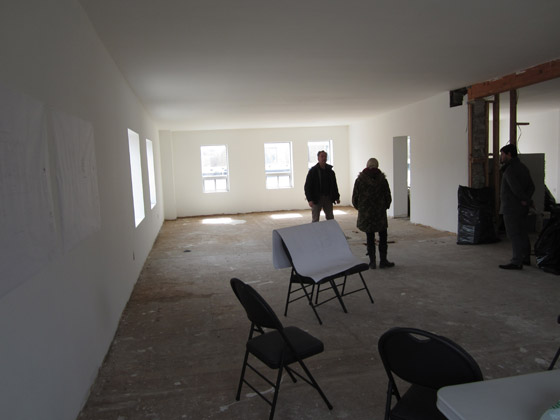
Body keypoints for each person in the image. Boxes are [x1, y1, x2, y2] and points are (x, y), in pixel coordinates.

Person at [352, 158, 394, 269]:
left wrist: (361, 209)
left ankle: (372, 262)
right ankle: (383, 261)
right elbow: (388, 196)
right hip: (380, 213)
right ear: (377, 166)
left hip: (366, 214)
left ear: (367, 165)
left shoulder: (360, 180)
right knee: (383, 236)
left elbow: (355, 198)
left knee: (370, 237)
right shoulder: (382, 180)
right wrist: (384, 207)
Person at [499, 144, 535, 270]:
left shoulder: (509, 170)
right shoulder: (523, 167)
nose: (501, 157)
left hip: (511, 207)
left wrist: (525, 200)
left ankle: (516, 261)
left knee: (514, 234)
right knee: (522, 232)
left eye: (502, 154)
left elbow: (515, 189)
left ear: (509, 154)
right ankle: (525, 258)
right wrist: (527, 200)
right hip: (521, 208)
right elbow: (532, 186)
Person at [304, 150, 340, 222]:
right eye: (322, 156)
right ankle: (315, 230)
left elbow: (334, 185)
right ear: (318, 158)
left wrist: (337, 197)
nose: (324, 158)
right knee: (315, 219)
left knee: (330, 218)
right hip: (316, 198)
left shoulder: (330, 172)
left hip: (328, 198)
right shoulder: (313, 171)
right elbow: (307, 186)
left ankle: (330, 229)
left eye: (325, 156)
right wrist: (309, 199)